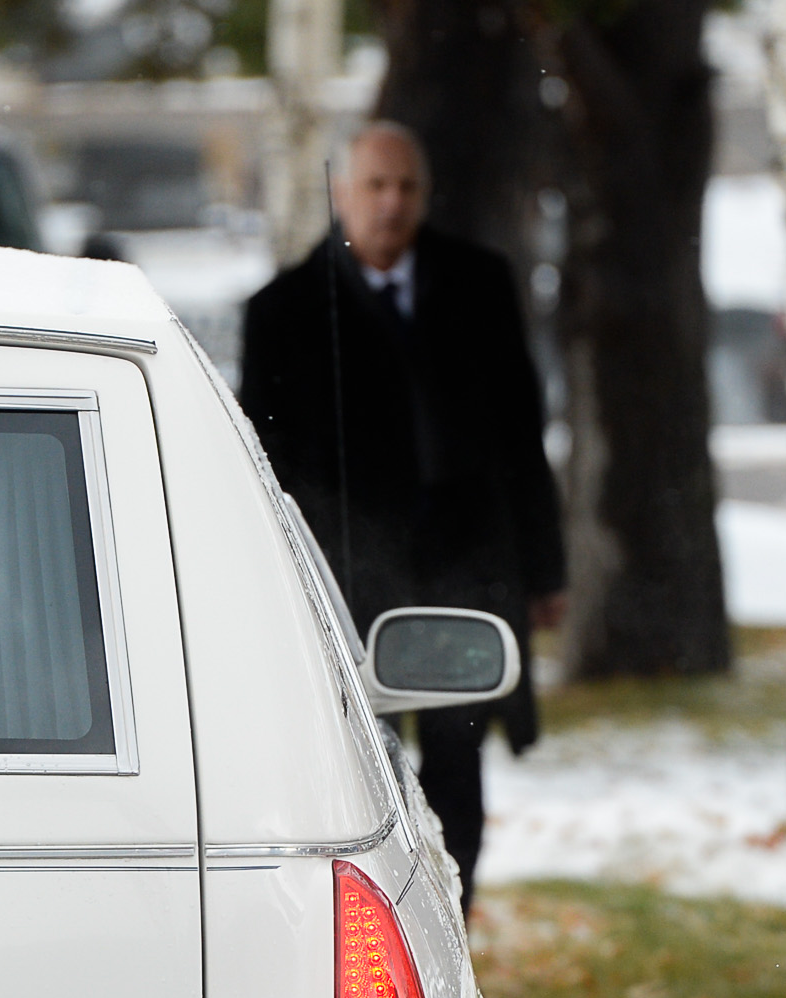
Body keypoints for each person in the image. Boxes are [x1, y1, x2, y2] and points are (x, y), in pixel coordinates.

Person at [237, 120, 565, 913]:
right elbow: (268, 469)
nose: (391, 204)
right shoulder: (283, 310)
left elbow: (521, 435)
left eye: (406, 187)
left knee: (458, 762)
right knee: (359, 775)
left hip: (462, 572)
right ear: (343, 193)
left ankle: (455, 924)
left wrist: (544, 568)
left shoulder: (479, 285)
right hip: (349, 578)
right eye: (375, 186)